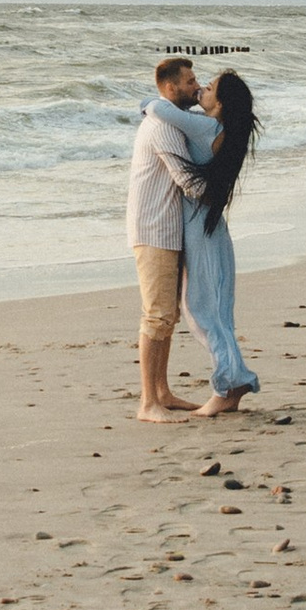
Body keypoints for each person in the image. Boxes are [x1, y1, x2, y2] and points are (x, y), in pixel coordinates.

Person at [126, 55, 205, 421]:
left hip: (168, 229)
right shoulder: (161, 126)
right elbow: (186, 178)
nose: (195, 85)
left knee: (168, 316)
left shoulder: (172, 121)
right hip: (153, 230)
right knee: (156, 316)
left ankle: (163, 392)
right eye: (189, 81)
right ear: (171, 87)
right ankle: (147, 403)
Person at [179, 69, 260, 414]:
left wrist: (162, 95)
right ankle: (232, 382)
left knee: (203, 310)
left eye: (208, 88)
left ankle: (229, 383)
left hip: (202, 232)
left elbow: (153, 108)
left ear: (221, 103)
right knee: (214, 311)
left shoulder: (207, 127)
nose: (201, 89)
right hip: (211, 232)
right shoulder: (221, 129)